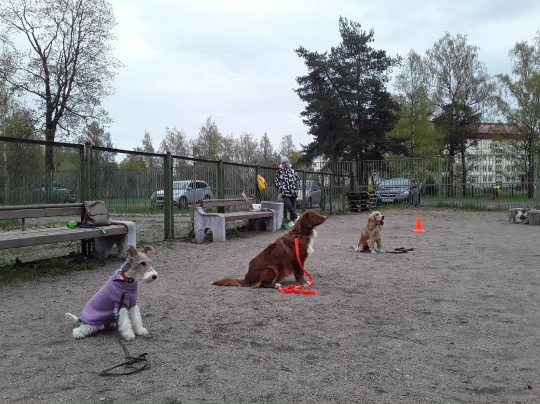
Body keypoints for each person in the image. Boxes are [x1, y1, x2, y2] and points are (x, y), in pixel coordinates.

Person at [275, 156, 301, 227]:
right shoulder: (279, 172)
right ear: (282, 164)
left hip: (293, 191)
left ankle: (292, 221)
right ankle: (296, 217)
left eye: (286, 162)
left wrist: (296, 186)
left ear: (288, 163)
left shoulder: (292, 171)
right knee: (288, 205)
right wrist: (281, 188)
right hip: (285, 192)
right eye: (283, 163)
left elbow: (298, 179)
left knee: (293, 206)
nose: (285, 164)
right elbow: (277, 182)